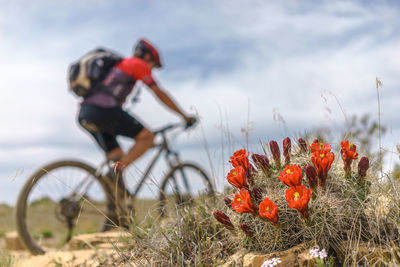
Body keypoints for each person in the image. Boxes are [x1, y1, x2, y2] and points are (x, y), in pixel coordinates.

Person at [78, 38, 194, 173]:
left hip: (86, 112)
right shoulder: (138, 64)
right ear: (147, 56)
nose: (151, 70)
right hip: (103, 110)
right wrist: (184, 116)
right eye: (153, 65)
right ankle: (116, 173)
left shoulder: (122, 66)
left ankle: (113, 186)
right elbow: (160, 93)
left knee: (117, 155)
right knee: (147, 137)